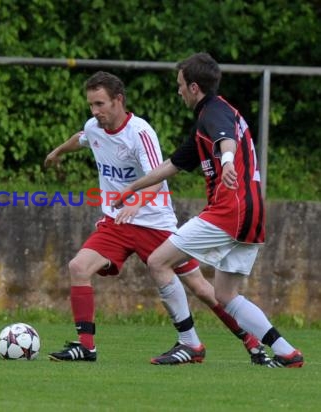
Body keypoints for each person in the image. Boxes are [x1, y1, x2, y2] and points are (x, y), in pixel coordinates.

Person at [44, 71, 268, 365]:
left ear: (118, 101)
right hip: (116, 223)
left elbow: (158, 179)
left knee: (202, 288)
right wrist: (58, 151)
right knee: (78, 267)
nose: (95, 112)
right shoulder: (94, 128)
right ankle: (86, 347)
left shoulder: (140, 132)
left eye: (100, 104)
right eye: (91, 105)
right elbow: (82, 138)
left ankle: (253, 343)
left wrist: (136, 204)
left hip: (153, 224)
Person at [113, 52, 303, 368]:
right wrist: (133, 188)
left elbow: (225, 140)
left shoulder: (214, 113)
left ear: (195, 87)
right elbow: (172, 165)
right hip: (252, 213)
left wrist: (227, 162)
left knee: (159, 261)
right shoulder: (207, 121)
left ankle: (189, 344)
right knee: (226, 294)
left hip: (231, 210)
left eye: (180, 85)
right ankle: (286, 352)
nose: (178, 91)